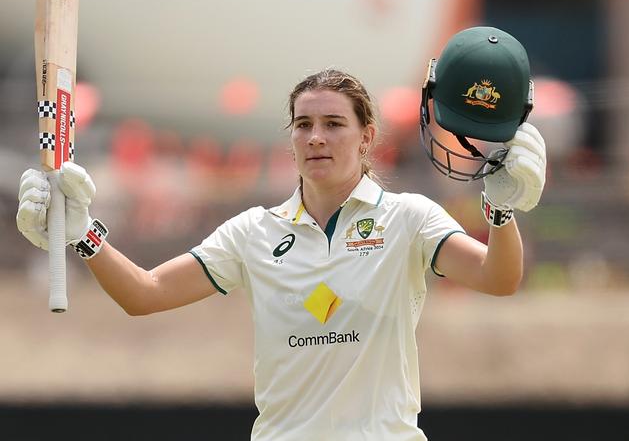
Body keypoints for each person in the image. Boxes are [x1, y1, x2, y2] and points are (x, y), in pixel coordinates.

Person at [17, 27, 546, 440]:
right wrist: (82, 231)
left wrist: (501, 210)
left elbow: (498, 279)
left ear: (366, 138)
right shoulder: (252, 232)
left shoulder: (409, 219)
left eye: (334, 124)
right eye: (303, 124)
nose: (316, 137)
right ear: (290, 136)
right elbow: (144, 294)